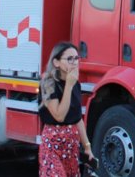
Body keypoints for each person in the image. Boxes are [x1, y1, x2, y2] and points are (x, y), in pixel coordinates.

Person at [39, 42, 94, 175]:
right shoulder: (48, 83)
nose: (74, 62)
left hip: (71, 146)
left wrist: (87, 147)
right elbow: (59, 115)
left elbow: (77, 118)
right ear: (56, 62)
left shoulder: (76, 84)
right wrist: (68, 86)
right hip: (52, 143)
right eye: (69, 59)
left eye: (76, 58)